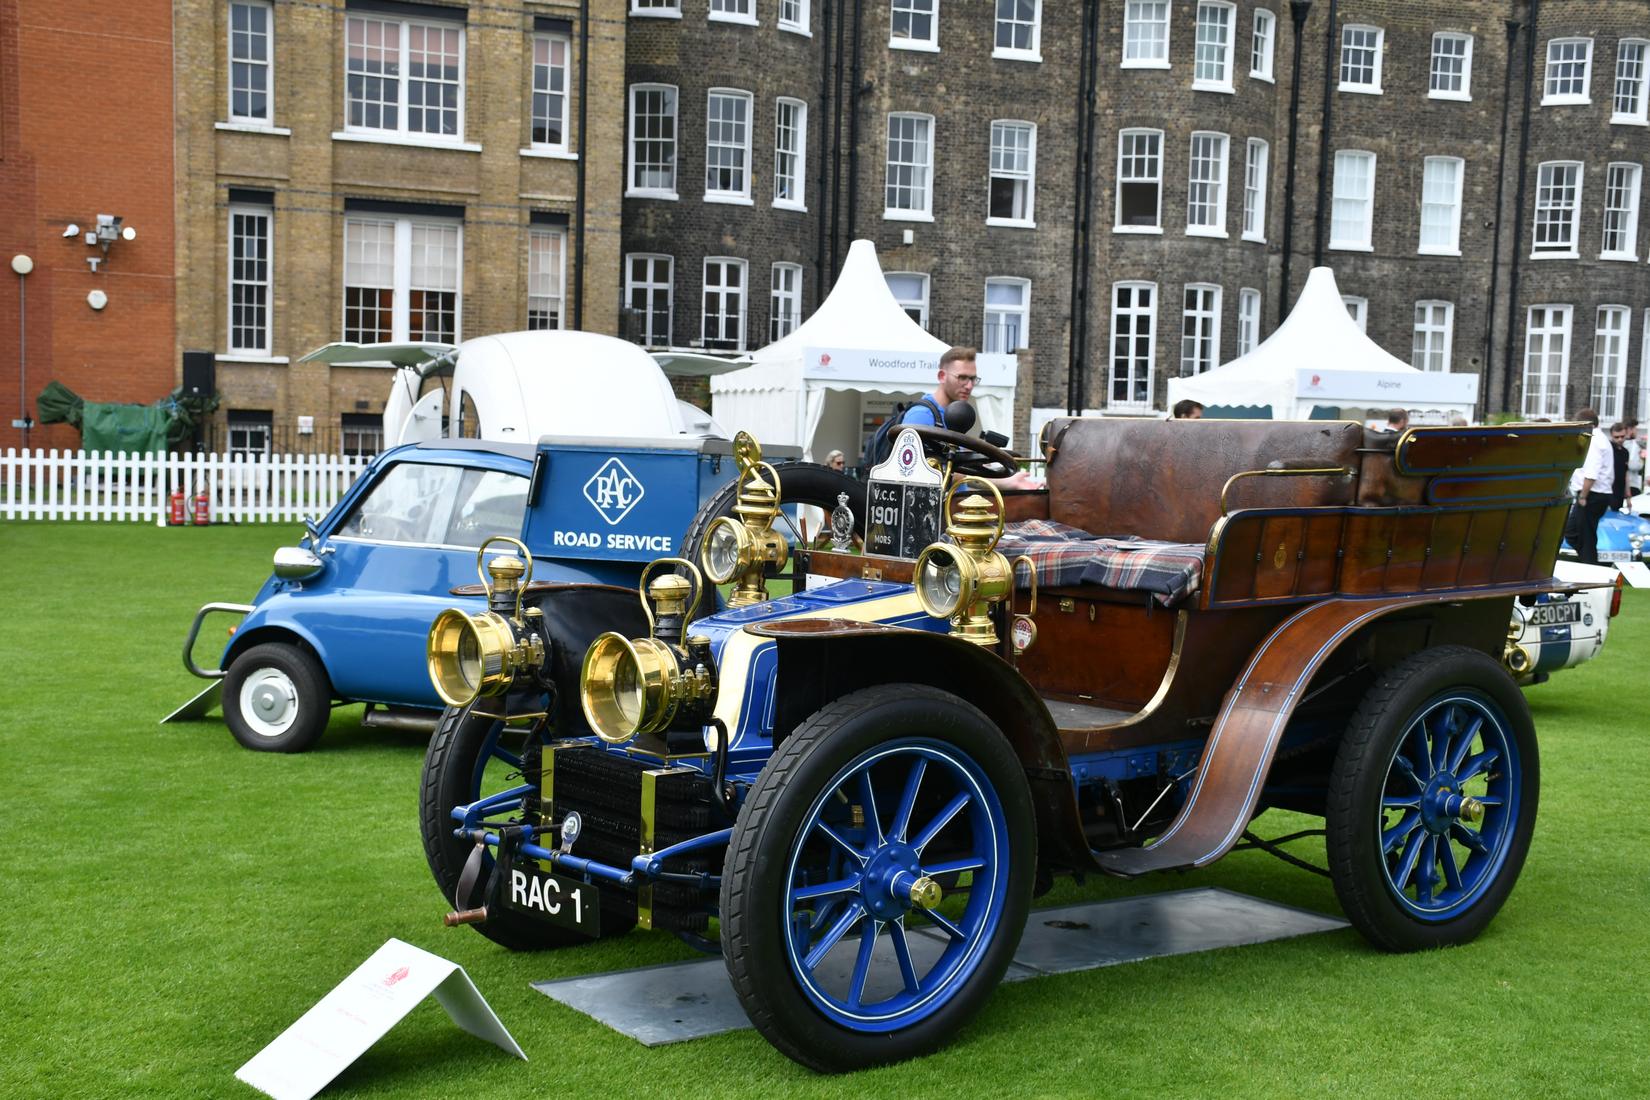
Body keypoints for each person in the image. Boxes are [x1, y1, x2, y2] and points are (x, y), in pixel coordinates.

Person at [898, 346, 1039, 489]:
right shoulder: (921, 415)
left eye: (973, 379)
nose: (969, 385)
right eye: (962, 378)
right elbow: (913, 472)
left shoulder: (956, 417)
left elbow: (954, 470)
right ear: (942, 376)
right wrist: (1005, 482)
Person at [1565, 408, 1612, 565]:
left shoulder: (1593, 441)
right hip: (1596, 494)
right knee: (1573, 533)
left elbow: (1591, 472)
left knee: (1584, 536)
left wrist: (1583, 496)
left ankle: (1590, 564)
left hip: (1591, 494)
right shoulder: (1601, 439)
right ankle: (1589, 560)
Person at [1609, 422, 1628, 511]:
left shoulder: (1625, 452)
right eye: (1616, 437)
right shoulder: (1608, 449)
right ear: (1612, 436)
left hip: (1619, 492)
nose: (1620, 439)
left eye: (1622, 436)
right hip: (1609, 490)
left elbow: (1626, 473)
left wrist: (1628, 495)